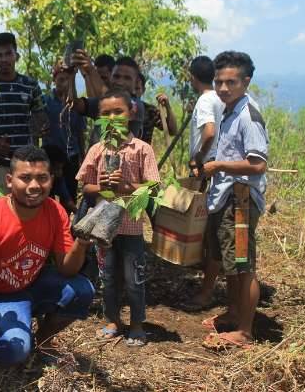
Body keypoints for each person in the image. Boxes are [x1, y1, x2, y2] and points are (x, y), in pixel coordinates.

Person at [0, 146, 94, 367]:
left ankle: (44, 342)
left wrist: (81, 243)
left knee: (82, 290)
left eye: (42, 178)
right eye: (25, 178)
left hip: (32, 283)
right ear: (9, 180)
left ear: (51, 180)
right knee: (13, 353)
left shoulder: (55, 211)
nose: (34, 186)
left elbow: (66, 269)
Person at [76, 88, 160, 347]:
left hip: (132, 229)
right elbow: (84, 186)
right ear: (99, 118)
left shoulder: (142, 149)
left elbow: (154, 188)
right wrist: (100, 186)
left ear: (131, 112)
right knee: (108, 277)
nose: (112, 118)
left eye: (118, 112)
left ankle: (136, 324)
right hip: (104, 230)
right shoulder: (97, 149)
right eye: (105, 114)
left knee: (134, 279)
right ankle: (113, 320)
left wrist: (126, 186)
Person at [199, 51, 268, 350]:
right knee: (231, 263)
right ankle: (233, 313)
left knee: (243, 265)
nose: (223, 88)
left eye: (231, 82)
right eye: (219, 82)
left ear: (246, 81)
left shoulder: (248, 115)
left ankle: (245, 331)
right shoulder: (230, 109)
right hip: (224, 197)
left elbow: (257, 164)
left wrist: (218, 166)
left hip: (239, 200)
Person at [179, 56, 226, 312]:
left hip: (210, 170)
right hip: (218, 170)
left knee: (211, 230)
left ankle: (207, 290)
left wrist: (198, 157)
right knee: (211, 229)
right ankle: (210, 279)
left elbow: (208, 132)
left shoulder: (206, 99)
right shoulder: (221, 98)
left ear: (192, 77)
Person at [0, 33, 47, 161]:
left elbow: (40, 118)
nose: (4, 59)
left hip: (25, 160)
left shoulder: (30, 85)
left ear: (16, 55)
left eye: (8, 53)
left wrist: (41, 127)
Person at [43, 61, 86, 206]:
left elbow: (80, 132)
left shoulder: (77, 104)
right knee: (48, 195)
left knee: (70, 196)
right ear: (54, 80)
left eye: (68, 79)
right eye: (61, 79)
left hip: (71, 157)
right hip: (51, 157)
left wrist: (83, 156)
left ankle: (66, 226)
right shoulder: (45, 101)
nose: (64, 83)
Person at [135, 73, 178, 145]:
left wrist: (167, 107)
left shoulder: (150, 111)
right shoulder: (117, 109)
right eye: (131, 88)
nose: (134, 92)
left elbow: (172, 131)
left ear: (143, 90)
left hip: (143, 155)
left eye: (137, 89)